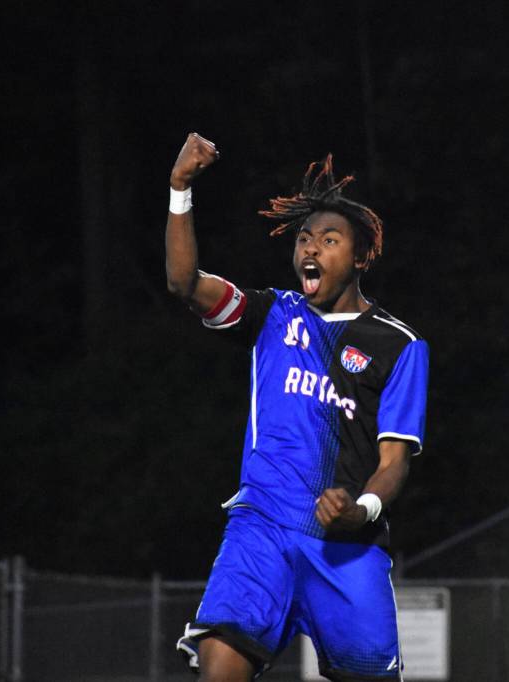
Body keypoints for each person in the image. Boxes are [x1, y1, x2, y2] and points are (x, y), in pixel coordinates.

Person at [165, 132, 429, 681]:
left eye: (328, 240)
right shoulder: (271, 316)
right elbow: (184, 282)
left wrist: (361, 510)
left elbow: (394, 463)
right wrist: (180, 188)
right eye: (304, 238)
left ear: (360, 256)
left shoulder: (398, 345)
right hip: (262, 526)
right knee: (220, 667)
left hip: (345, 548)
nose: (309, 248)